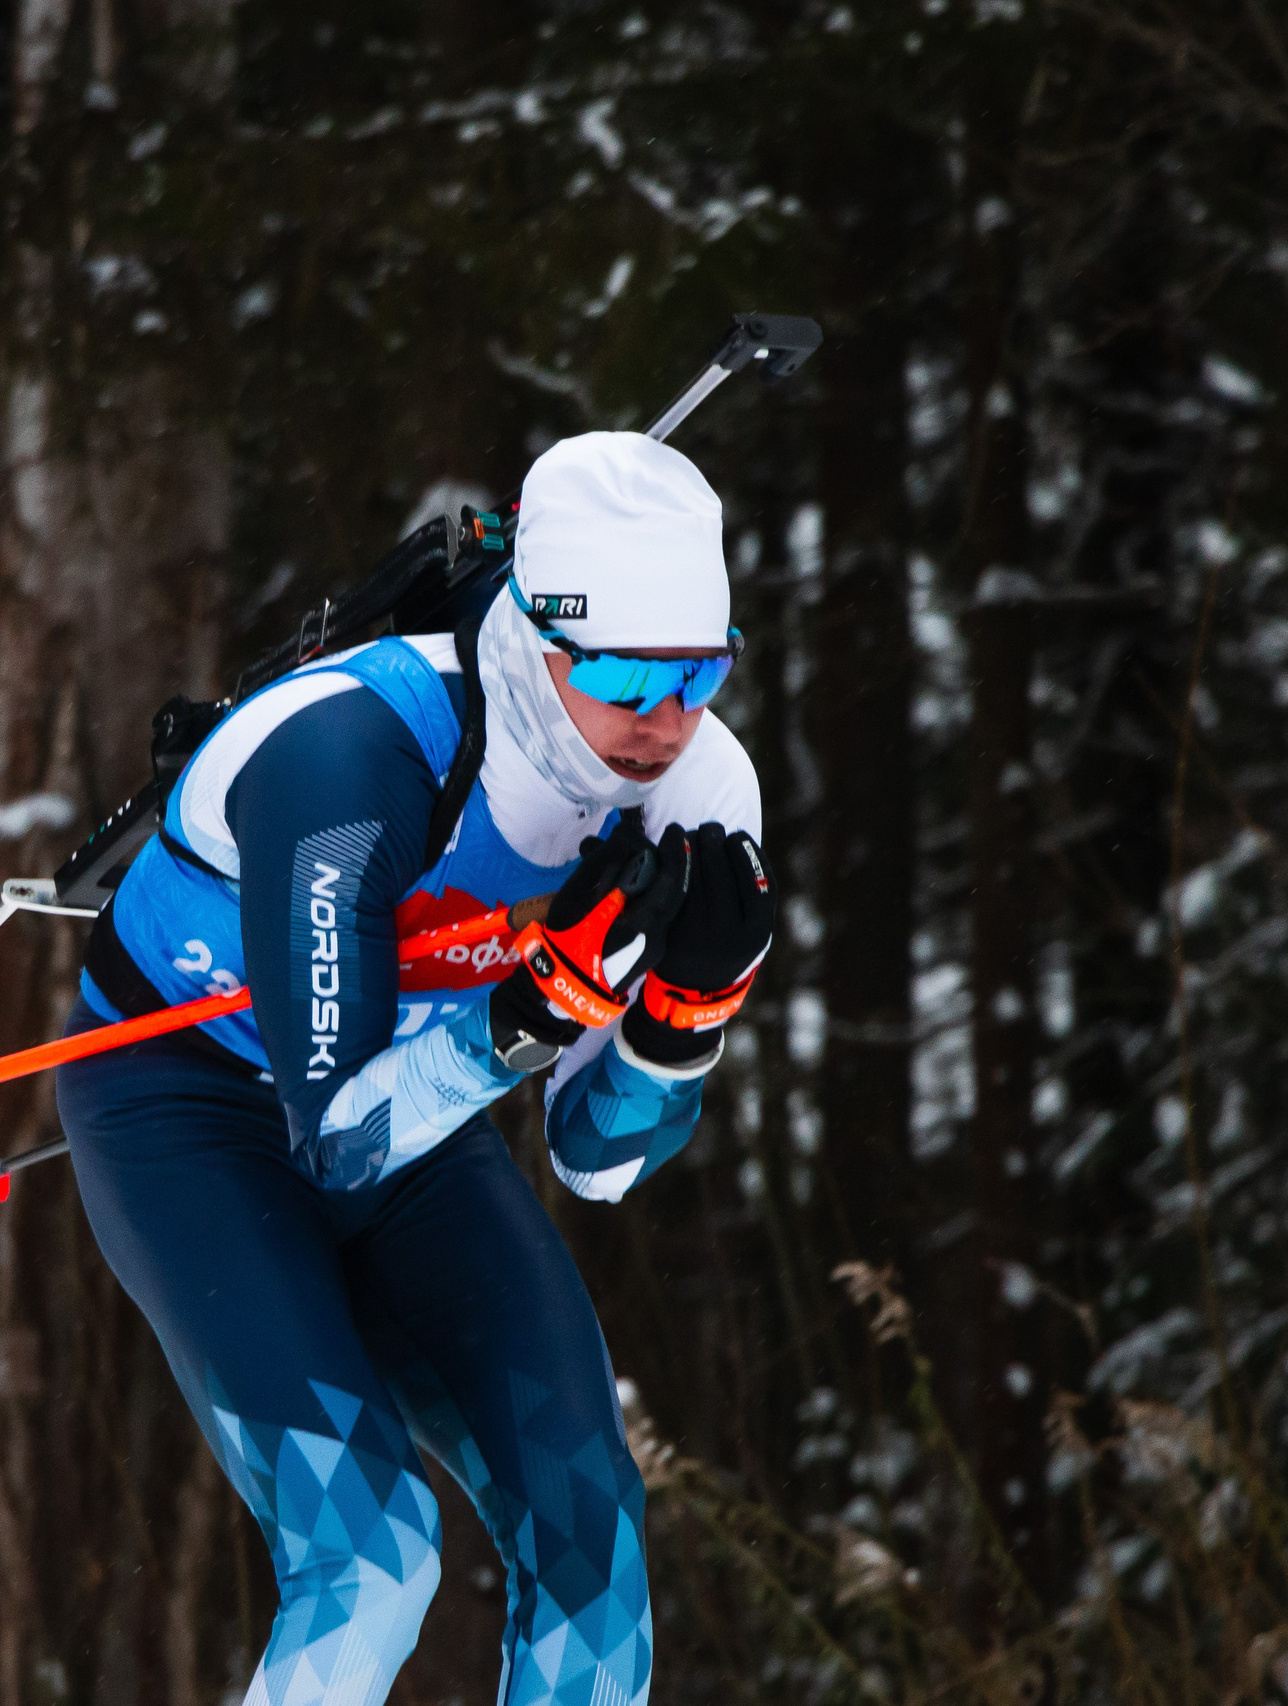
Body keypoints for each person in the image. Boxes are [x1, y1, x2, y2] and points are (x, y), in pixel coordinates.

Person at [54, 432, 777, 1706]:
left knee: (592, 1540)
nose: (665, 722)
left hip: (420, 1105)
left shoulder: (703, 785)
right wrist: (539, 1007)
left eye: (700, 674)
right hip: (191, 1106)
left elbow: (594, 1161)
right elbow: (334, 1137)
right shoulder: (351, 755)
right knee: (372, 1552)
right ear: (541, 640)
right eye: (622, 674)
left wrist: (682, 1018)